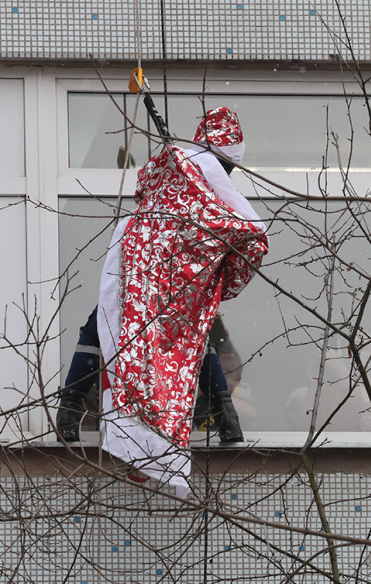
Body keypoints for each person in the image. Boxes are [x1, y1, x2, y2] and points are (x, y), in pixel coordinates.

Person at [97, 106, 269, 497]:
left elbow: (145, 189)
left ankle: (86, 419)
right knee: (181, 346)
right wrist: (223, 282)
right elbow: (253, 232)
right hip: (169, 272)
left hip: (135, 259)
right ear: (229, 159)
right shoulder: (207, 169)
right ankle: (211, 424)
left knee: (130, 348)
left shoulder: (175, 162)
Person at [56, 310, 244, 443]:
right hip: (175, 282)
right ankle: (227, 417)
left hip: (134, 280)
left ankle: (67, 412)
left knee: (99, 323)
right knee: (196, 334)